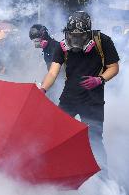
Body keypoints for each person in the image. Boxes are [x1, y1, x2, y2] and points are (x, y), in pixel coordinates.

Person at [40, 11, 120, 179]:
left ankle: (102, 177)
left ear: (88, 33)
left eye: (79, 36)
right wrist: (42, 89)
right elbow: (53, 73)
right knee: (57, 134)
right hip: (69, 99)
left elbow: (113, 67)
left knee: (94, 139)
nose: (74, 41)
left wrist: (100, 79)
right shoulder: (61, 47)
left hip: (93, 101)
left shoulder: (102, 41)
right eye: (71, 36)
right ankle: (57, 172)